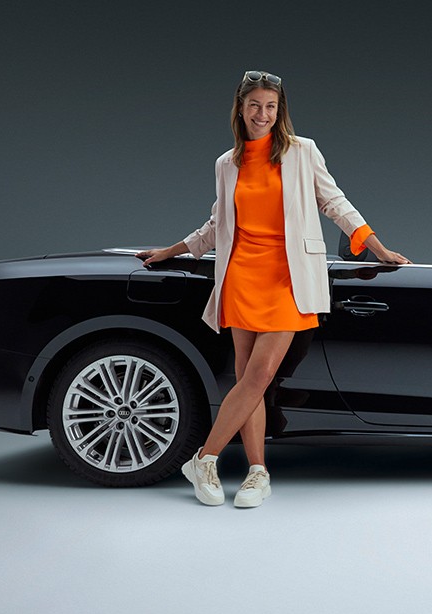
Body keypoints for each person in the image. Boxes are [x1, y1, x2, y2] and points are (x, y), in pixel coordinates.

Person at [137, 70, 409, 508]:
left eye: (270, 107)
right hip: (242, 275)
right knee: (251, 380)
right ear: (240, 109)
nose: (262, 114)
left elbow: (334, 202)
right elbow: (217, 223)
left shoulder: (302, 152)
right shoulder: (226, 163)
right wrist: (171, 250)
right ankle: (257, 473)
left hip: (289, 277)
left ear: (280, 112)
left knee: (260, 375)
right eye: (254, 105)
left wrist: (377, 247)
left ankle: (204, 459)